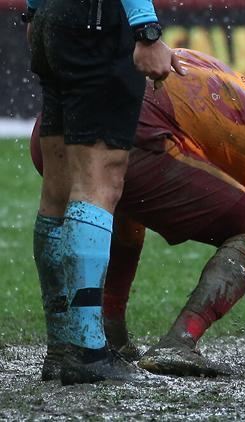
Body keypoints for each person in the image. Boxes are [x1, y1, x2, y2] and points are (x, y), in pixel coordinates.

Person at [31, 49, 245, 378]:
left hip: (56, 125)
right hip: (125, 137)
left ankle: (103, 332)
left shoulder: (218, 72)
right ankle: (178, 342)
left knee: (128, 210)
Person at [26, 0, 185, 384]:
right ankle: (87, 352)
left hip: (54, 19)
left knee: (58, 190)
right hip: (96, 20)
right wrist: (147, 30)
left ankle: (63, 346)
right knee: (99, 181)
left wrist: (34, 11)